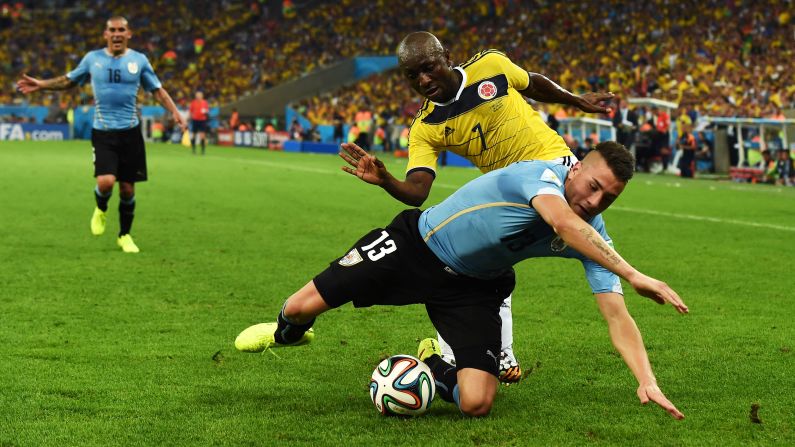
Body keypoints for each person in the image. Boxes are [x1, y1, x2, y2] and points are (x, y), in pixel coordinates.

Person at [235, 142, 688, 419]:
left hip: (473, 287)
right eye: (593, 186)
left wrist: (645, 378)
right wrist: (630, 271)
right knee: (298, 307)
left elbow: (616, 313)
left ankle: (431, 365)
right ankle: (286, 333)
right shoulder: (540, 176)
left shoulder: (593, 235)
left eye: (607, 198)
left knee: (477, 403)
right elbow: (562, 223)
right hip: (414, 247)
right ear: (575, 169)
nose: (595, 201)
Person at [339, 31, 615, 384]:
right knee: (485, 259)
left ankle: (465, 352)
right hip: (510, 192)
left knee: (566, 249)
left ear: (446, 57)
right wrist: (387, 180)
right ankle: (481, 352)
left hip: (557, 168)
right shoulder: (425, 127)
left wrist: (576, 100)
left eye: (428, 68)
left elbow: (531, 83)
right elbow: (418, 190)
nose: (423, 80)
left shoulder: (490, 65)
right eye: (412, 76)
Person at [16, 16, 186, 253]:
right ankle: (101, 208)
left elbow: (156, 90)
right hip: (104, 132)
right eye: (112, 30)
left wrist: (175, 112)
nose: (116, 34)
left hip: (131, 133)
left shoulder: (139, 60)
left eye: (121, 30)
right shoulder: (92, 59)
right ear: (105, 34)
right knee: (106, 183)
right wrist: (42, 84)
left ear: (129, 34)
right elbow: (69, 81)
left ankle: (125, 235)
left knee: (127, 189)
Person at [189, 91, 209, 155]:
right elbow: (191, 111)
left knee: (202, 136)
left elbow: (207, 111)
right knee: (194, 135)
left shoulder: (205, 102)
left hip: (202, 120)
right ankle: (193, 150)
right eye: (197, 95)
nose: (198, 96)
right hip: (195, 120)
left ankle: (203, 151)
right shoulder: (193, 102)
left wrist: (205, 112)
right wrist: (189, 118)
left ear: (202, 96)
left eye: (199, 95)